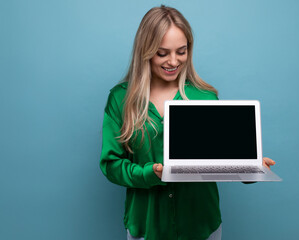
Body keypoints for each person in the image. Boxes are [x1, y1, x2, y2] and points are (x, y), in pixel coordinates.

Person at [100, 5, 276, 240]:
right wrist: (149, 173)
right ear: (146, 51)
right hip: (148, 227)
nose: (173, 61)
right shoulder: (120, 99)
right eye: (162, 53)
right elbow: (111, 165)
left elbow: (219, 159)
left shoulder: (205, 97)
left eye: (181, 51)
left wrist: (249, 168)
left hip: (201, 226)